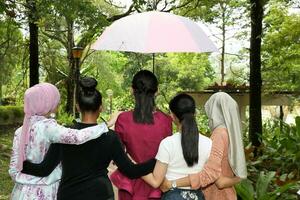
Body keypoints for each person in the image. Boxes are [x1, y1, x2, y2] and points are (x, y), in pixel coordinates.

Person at [21, 77, 157, 200]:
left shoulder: (63, 133)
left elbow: (44, 169)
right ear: (101, 108)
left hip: (69, 195)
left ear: (77, 107)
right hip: (100, 194)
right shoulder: (110, 137)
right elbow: (131, 171)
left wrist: (20, 164)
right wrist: (158, 161)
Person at [9, 82, 109, 200]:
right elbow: (77, 137)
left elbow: (14, 169)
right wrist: (103, 127)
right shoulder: (48, 127)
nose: (58, 103)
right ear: (46, 103)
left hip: (21, 192)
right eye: (56, 100)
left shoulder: (20, 131)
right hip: (45, 192)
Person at [160, 92, 247, 200]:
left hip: (216, 196)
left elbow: (215, 177)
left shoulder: (219, 134)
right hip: (229, 194)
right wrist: (239, 178)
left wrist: (173, 183)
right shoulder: (231, 133)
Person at [111, 70, 173, 200]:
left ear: (132, 90)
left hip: (130, 184)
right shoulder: (166, 121)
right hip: (156, 184)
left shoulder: (123, 119)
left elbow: (118, 155)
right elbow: (167, 155)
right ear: (156, 91)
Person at [140, 93, 211, 200]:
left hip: (172, 196)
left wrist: (134, 166)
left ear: (172, 116)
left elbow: (155, 181)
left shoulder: (168, 143)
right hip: (197, 196)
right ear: (195, 113)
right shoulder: (208, 143)